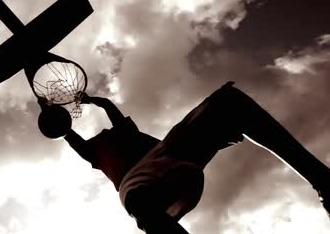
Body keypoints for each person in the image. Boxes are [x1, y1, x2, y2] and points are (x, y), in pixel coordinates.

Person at [39, 81, 330, 234]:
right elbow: (68, 135)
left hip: (169, 153)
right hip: (141, 180)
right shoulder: (94, 153)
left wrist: (91, 99)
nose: (104, 131)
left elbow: (109, 108)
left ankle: (324, 182)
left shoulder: (124, 132)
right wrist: (50, 112)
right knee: (142, 206)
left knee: (228, 101)